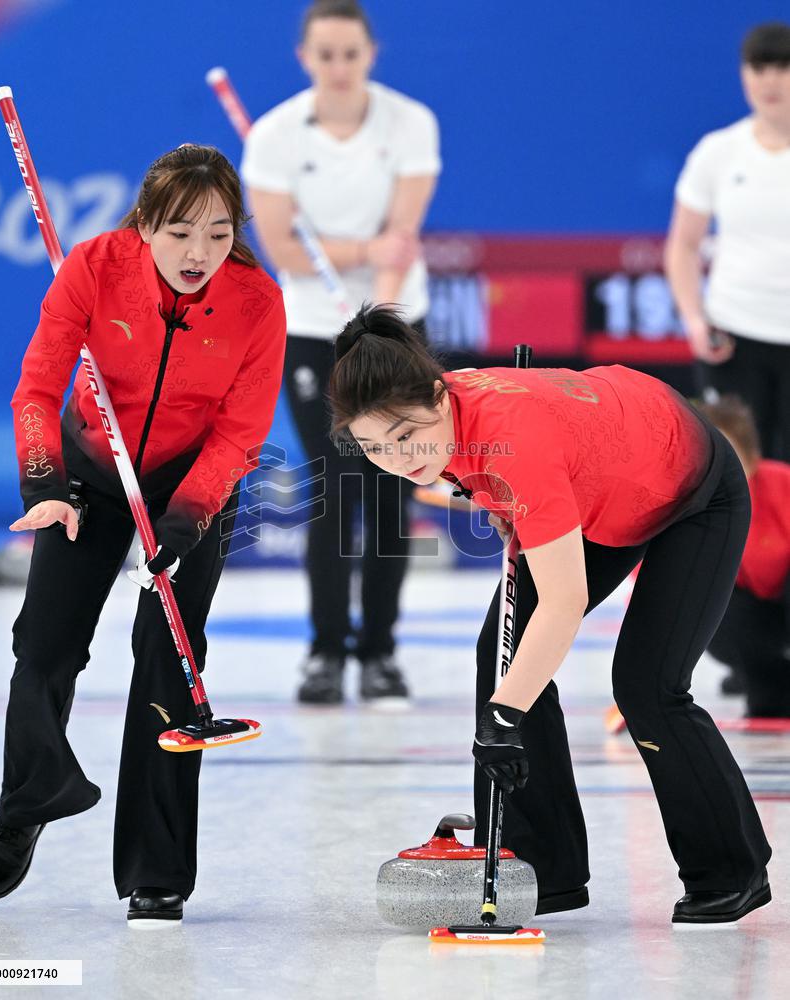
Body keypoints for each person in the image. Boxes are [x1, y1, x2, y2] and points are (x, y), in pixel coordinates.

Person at [327, 304, 772, 925]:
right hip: (605, 486)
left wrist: (502, 719)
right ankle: (546, 868)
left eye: (405, 436)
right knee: (503, 656)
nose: (398, 459)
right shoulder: (445, 419)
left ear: (438, 395)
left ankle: (732, 870)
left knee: (648, 687)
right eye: (374, 447)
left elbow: (563, 604)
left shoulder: (515, 444)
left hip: (692, 489)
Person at [0, 144, 287, 924]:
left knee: (169, 658)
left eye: (218, 233)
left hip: (191, 484)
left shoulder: (257, 303)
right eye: (180, 232)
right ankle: (28, 802)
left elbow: (241, 435)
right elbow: (38, 385)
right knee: (45, 645)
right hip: (88, 471)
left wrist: (183, 522)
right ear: (145, 225)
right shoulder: (93, 266)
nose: (199, 253)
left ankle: (157, 868)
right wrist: (46, 486)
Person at [241, 0, 441, 705]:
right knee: (333, 487)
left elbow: (402, 237)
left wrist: (377, 325)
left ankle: (380, 653)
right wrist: (357, 252)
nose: (337, 67)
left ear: (370, 53)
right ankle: (324, 652)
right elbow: (284, 250)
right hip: (310, 330)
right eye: (324, 55)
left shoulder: (410, 123)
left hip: (391, 325)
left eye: (349, 54)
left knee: (391, 492)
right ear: (304, 57)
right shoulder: (273, 135)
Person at [665, 21, 790, 461]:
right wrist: (695, 320)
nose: (769, 80)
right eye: (758, 68)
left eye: (781, 67)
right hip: (735, 338)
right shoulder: (718, 152)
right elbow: (683, 244)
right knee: (737, 469)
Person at [696, 396, 790, 717]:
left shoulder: (783, 485)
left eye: (729, 455)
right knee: (705, 600)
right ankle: (764, 677)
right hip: (747, 623)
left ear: (751, 456)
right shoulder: (681, 510)